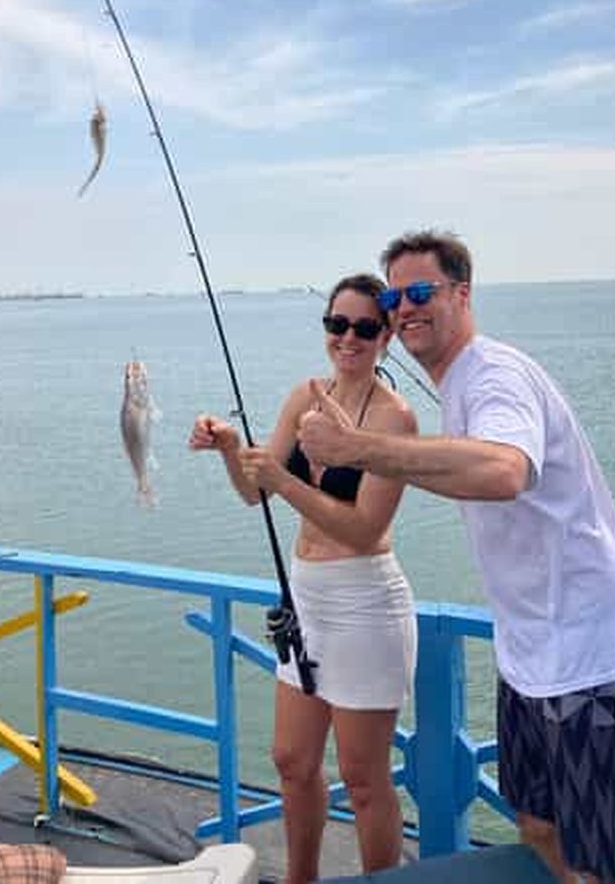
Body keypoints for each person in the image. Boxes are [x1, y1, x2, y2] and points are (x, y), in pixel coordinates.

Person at [298, 232, 615, 884]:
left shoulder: (494, 375)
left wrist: (358, 449)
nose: (404, 307)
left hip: (590, 653)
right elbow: (466, 472)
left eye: (421, 291)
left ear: (462, 294)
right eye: (394, 295)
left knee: (612, 863)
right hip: (530, 654)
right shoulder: (460, 386)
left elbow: (502, 471)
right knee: (539, 825)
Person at [189, 273, 417, 884]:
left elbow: (364, 529)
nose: (348, 337)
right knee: (291, 760)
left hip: (367, 605)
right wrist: (233, 450)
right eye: (336, 324)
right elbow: (254, 494)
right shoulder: (304, 396)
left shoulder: (395, 421)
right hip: (306, 601)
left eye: (365, 327)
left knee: (365, 780)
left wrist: (285, 480)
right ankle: (301, 879)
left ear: (387, 334)